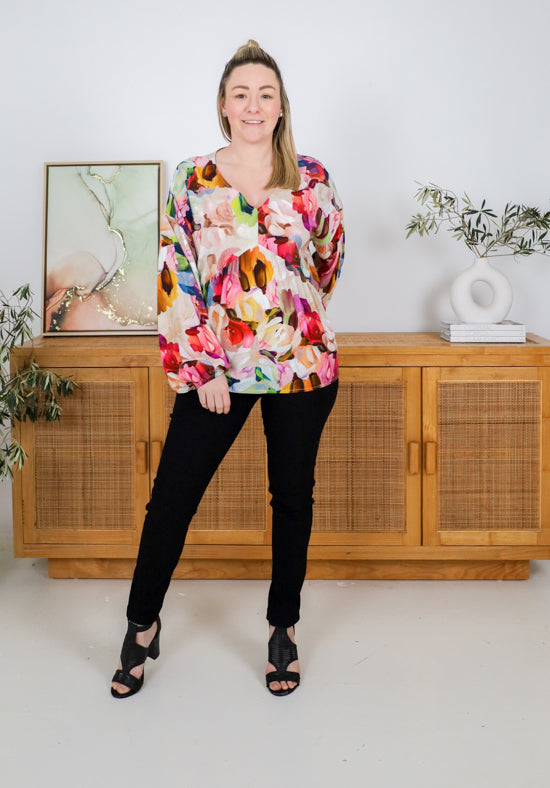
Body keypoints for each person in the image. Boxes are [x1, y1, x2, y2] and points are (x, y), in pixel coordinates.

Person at [111, 39, 344, 699]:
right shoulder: (192, 178)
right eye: (241, 93)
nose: (253, 105)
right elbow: (175, 274)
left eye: (265, 94)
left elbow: (327, 261)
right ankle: (141, 623)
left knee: (292, 498)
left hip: (301, 365)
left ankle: (282, 628)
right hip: (218, 369)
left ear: (281, 106)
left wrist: (294, 318)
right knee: (172, 499)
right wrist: (203, 366)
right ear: (223, 104)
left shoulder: (312, 178)